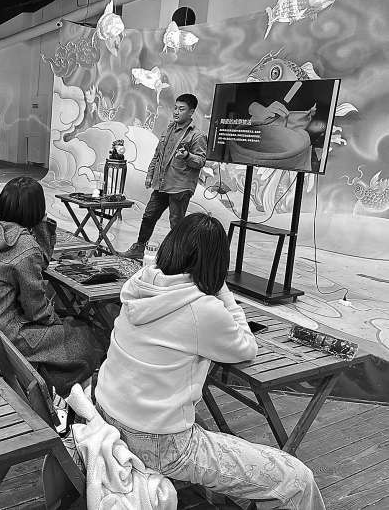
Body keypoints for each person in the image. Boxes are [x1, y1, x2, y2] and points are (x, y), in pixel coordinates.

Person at [94, 213, 325, 508]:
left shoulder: (140, 283)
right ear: (217, 264)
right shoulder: (202, 308)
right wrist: (222, 291)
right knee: (297, 480)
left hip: (107, 414)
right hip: (160, 443)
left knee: (208, 429)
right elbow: (246, 347)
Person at [0, 176, 109, 397]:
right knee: (83, 338)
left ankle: (58, 384)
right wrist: (58, 324)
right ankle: (68, 393)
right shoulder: (25, 247)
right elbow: (36, 309)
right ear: (37, 209)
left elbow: (40, 264)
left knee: (69, 329)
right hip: (4, 334)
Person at [121, 94, 207, 259]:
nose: (176, 112)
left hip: (180, 186)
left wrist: (187, 156)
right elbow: (157, 154)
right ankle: (139, 248)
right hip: (161, 184)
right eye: (175, 108)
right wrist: (150, 175)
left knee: (176, 223)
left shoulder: (197, 135)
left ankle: (177, 257)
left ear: (191, 112)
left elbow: (201, 161)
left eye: (181, 109)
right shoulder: (169, 129)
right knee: (149, 216)